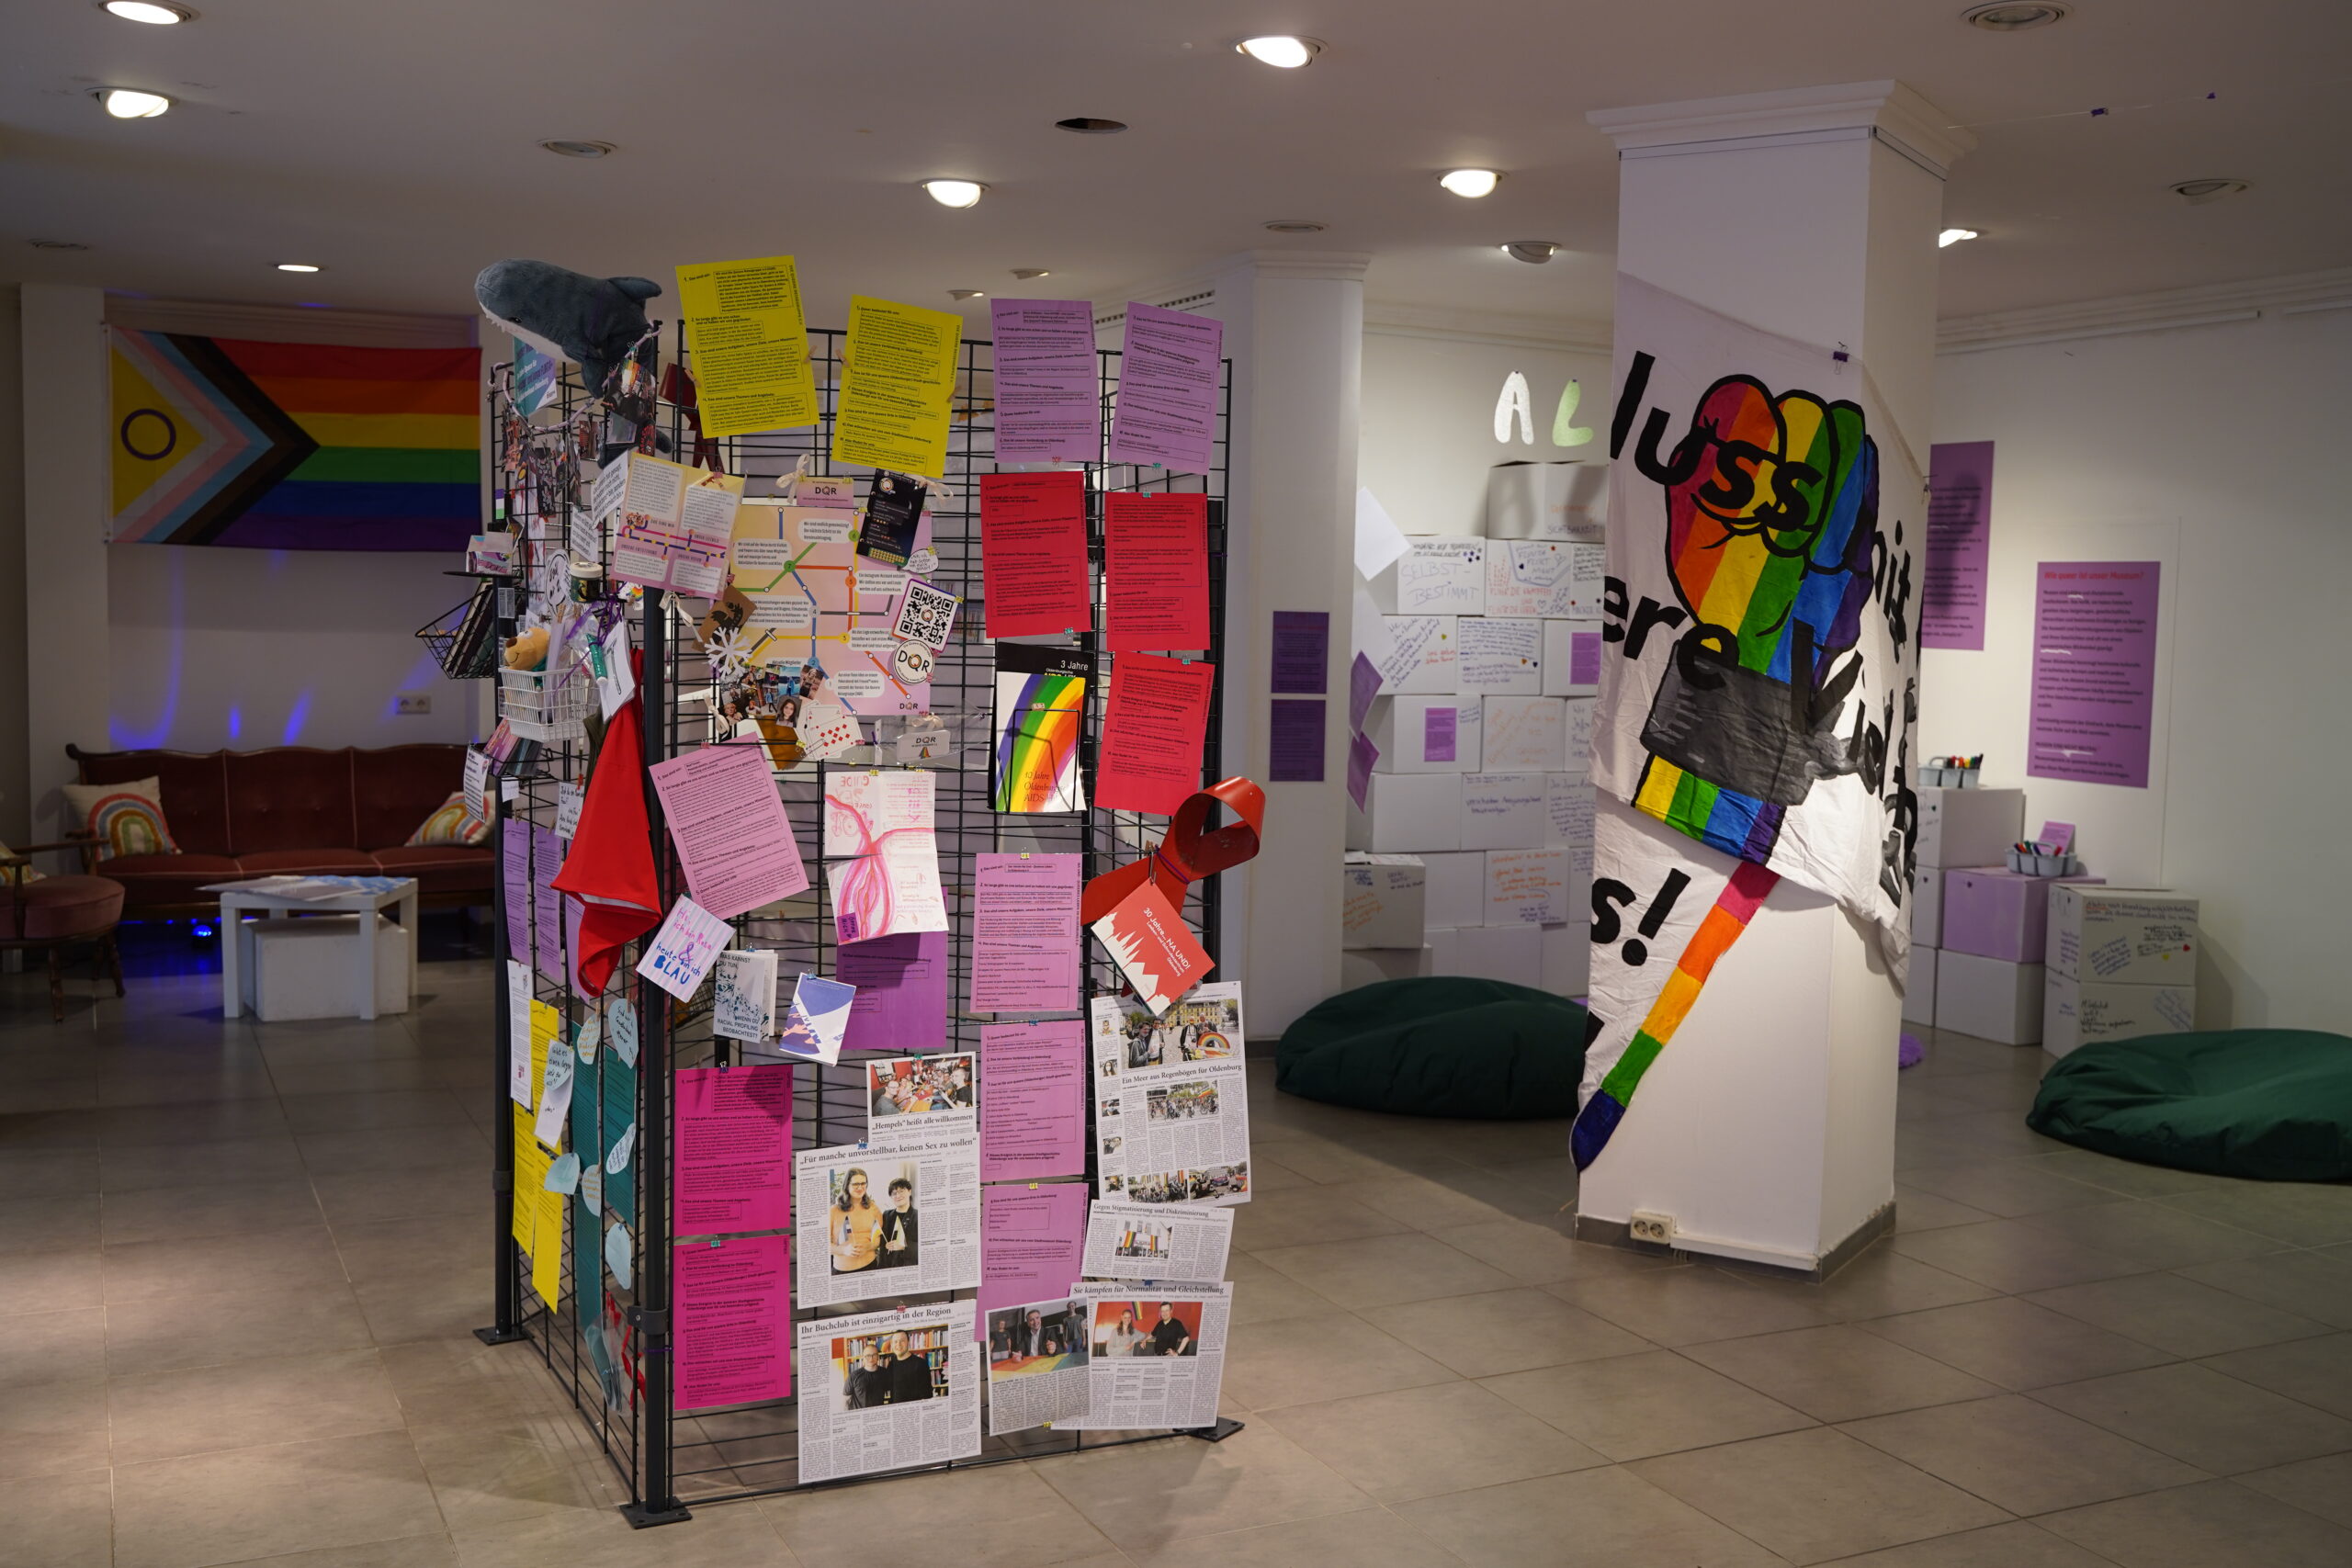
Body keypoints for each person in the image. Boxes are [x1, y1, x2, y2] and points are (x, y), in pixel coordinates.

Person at [829, 1168, 883, 1274]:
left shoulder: (874, 1208)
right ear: (847, 1185)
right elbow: (822, 1245)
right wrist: (844, 1250)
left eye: (863, 1183)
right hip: (842, 1271)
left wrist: (868, 1247)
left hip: (870, 1266)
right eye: (855, 1184)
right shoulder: (834, 1211)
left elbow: (878, 1238)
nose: (860, 1187)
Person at [876, 1175, 919, 1268]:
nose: (898, 1196)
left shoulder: (918, 1216)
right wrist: (885, 1246)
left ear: (910, 1192)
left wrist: (904, 1246)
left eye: (901, 1191)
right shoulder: (886, 1215)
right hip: (887, 1266)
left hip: (907, 1267)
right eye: (894, 1193)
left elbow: (926, 1247)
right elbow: (882, 1241)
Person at [885, 1331, 934, 1403]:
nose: (898, 1344)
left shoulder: (920, 1364)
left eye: (902, 1341)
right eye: (895, 1342)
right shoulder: (891, 1363)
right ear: (892, 1344)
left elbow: (927, 1395)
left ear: (908, 1342)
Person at [845, 1342, 891, 1409]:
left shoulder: (885, 1373)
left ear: (878, 1357)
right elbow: (845, 1400)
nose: (871, 1358)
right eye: (868, 1356)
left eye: (874, 1355)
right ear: (863, 1358)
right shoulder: (854, 1375)